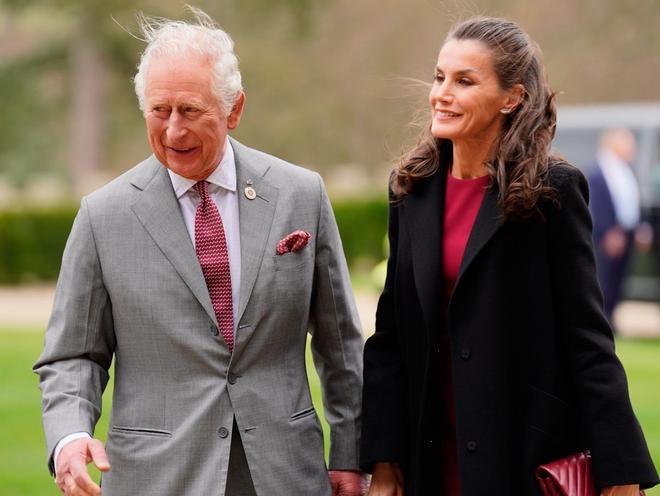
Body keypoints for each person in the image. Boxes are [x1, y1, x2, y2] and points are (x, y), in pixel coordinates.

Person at [34, 8, 364, 496]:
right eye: (158, 111)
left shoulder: (301, 195)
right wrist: (69, 436)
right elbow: (73, 356)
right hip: (155, 478)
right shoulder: (103, 217)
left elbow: (341, 347)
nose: (172, 132)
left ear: (234, 109)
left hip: (285, 474)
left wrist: (351, 457)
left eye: (189, 111)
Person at [360, 16, 658, 496]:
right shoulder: (411, 190)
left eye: (464, 81)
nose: (442, 94)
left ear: (512, 98)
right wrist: (385, 460)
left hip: (522, 457)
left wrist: (622, 473)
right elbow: (392, 338)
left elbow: (587, 338)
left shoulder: (551, 191)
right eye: (440, 77)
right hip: (430, 458)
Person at [588, 128, 652, 325]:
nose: (632, 148)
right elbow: (597, 205)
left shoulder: (626, 170)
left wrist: (641, 226)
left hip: (628, 233)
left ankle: (610, 321)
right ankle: (600, 323)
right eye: (628, 143)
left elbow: (631, 201)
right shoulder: (598, 172)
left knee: (618, 282)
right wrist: (609, 232)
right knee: (603, 280)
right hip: (608, 236)